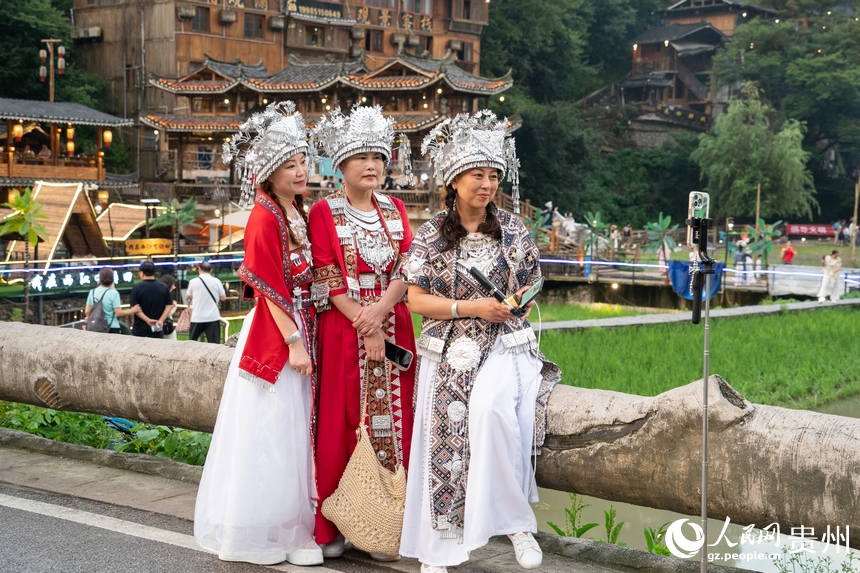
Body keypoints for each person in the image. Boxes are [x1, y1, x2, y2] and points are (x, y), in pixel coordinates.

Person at [400, 111, 562, 573]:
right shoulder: (431, 234)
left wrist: (520, 303)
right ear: (454, 181)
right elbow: (415, 298)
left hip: (505, 342)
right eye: (477, 175)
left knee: (491, 410)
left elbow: (533, 281)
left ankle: (517, 525)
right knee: (443, 432)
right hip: (450, 342)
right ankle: (441, 541)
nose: (487, 184)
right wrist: (472, 308)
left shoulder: (513, 229)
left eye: (493, 175)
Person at [194, 101, 323, 566]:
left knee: (294, 431)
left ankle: (291, 528)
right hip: (279, 333)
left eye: (303, 161)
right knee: (272, 432)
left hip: (302, 325)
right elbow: (268, 288)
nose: (301, 171)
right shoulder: (265, 217)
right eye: (290, 165)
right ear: (270, 172)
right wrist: (294, 342)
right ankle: (269, 533)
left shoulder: (296, 213)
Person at [309, 104, 417, 561]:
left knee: (398, 423)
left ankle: (387, 524)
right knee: (340, 420)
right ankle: (335, 522)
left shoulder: (395, 208)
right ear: (341, 166)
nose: (372, 166)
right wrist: (365, 322)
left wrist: (381, 311)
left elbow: (408, 266)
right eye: (361, 158)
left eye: (378, 157)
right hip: (343, 329)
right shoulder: (323, 211)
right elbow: (326, 275)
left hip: (394, 321)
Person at [84, 267, 141, 333]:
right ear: (113, 279)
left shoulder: (92, 292)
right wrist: (133, 310)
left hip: (96, 327)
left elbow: (87, 312)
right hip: (112, 327)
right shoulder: (114, 293)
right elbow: (119, 313)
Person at [130, 261, 175, 338]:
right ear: (154, 272)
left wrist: (147, 320)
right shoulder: (163, 287)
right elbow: (169, 306)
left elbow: (135, 308)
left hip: (140, 330)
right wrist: (160, 321)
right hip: (157, 329)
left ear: (142, 273)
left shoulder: (137, 288)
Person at [186, 261, 226, 344]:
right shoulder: (216, 281)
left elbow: (187, 296)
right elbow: (223, 298)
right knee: (214, 345)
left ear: (199, 269)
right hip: (213, 317)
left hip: (197, 317)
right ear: (210, 270)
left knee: (191, 343)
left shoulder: (193, 281)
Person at [159, 275, 178, 340]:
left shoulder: (159, 295)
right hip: (166, 325)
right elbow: (167, 313)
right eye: (173, 284)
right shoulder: (167, 296)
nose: (174, 287)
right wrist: (174, 307)